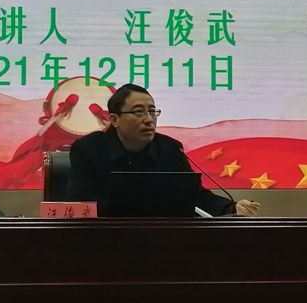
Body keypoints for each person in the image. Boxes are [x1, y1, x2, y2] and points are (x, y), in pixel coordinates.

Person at [68, 83, 260, 217]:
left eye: (152, 111)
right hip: (106, 239)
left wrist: (231, 208)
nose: (148, 119)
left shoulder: (171, 149)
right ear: (114, 119)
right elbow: (82, 200)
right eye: (138, 112)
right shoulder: (88, 149)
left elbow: (194, 196)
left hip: (162, 240)